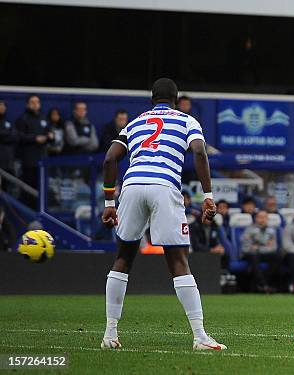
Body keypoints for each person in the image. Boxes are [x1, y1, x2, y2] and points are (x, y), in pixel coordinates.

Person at [100, 78, 226, 351]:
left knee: (123, 258)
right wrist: (208, 196)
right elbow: (199, 152)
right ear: (176, 98)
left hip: (131, 187)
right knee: (178, 261)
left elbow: (110, 158)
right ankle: (200, 336)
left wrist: (109, 201)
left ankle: (110, 334)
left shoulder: (134, 123)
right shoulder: (186, 120)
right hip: (164, 186)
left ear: (151, 99)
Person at [16, 94, 52, 209]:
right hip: (28, 160)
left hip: (43, 160)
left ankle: (40, 209)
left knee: (42, 187)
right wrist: (34, 138)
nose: (35, 104)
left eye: (37, 102)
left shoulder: (44, 118)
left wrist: (51, 136)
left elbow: (49, 133)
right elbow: (19, 136)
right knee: (28, 187)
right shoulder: (22, 119)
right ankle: (27, 209)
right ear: (27, 104)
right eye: (32, 102)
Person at [241, 210, 280, 293]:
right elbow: (247, 248)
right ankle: (264, 285)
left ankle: (262, 284)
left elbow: (273, 248)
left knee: (277, 257)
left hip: (263, 254)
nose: (262, 220)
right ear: (256, 218)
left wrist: (258, 247)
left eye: (264, 217)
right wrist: (265, 246)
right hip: (250, 255)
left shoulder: (271, 231)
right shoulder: (249, 230)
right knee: (254, 256)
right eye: (260, 217)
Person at [0, 100, 19, 191]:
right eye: (0, 105)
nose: (2, 107)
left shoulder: (9, 122)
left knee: (7, 187)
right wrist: (7, 134)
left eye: (3, 106)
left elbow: (15, 136)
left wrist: (4, 136)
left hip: (8, 161)